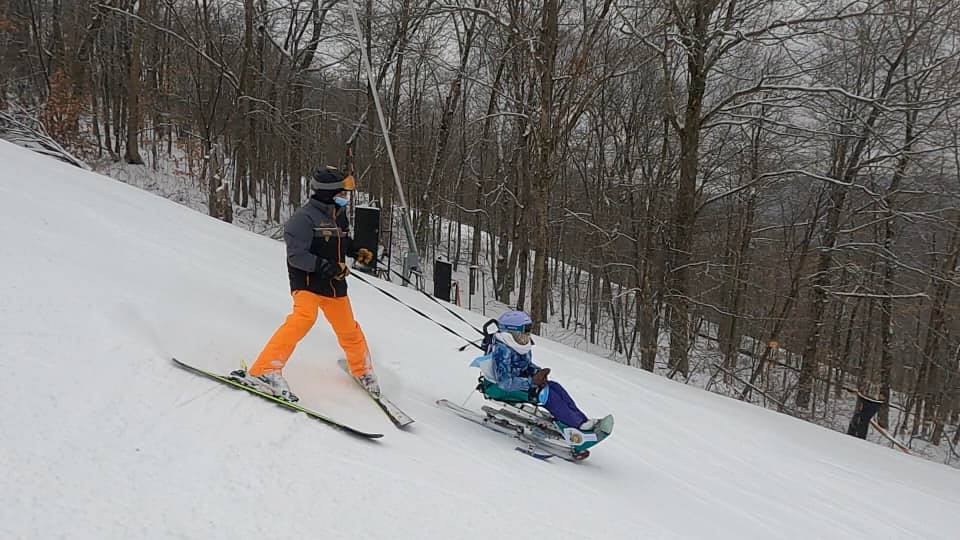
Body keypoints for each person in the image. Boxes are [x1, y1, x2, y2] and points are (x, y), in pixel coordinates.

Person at [232, 165, 377, 402]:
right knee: (303, 319)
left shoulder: (338, 215)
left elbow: (340, 240)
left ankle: (363, 371)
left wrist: (354, 250)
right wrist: (328, 267)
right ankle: (265, 370)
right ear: (328, 192)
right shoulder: (303, 219)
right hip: (308, 283)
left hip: (334, 286)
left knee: (349, 329)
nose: (345, 197)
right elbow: (297, 256)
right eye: (342, 192)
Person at [472, 310, 613, 436]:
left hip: (519, 384)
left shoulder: (519, 346)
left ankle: (582, 420)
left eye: (528, 331)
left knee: (555, 387)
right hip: (499, 389)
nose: (526, 336)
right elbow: (504, 382)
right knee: (547, 395)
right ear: (511, 333)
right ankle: (577, 424)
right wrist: (532, 382)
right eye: (523, 331)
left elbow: (524, 366)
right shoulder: (502, 351)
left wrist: (537, 372)